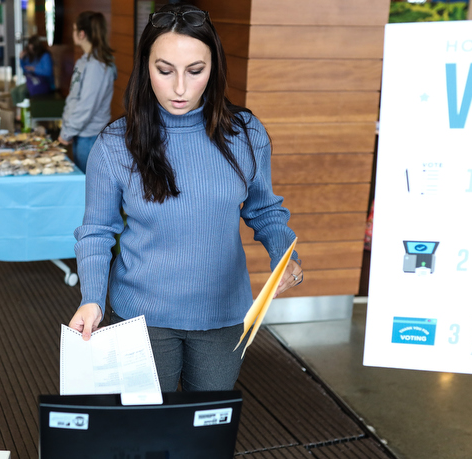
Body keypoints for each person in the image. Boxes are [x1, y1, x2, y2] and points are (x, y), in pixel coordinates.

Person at [68, 4, 304, 393]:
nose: (180, 88)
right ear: (146, 66)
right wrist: (92, 297)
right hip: (141, 315)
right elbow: (96, 231)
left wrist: (284, 256)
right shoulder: (115, 143)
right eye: (165, 70)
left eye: (195, 71)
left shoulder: (245, 134)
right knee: (145, 435)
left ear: (214, 69)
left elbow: (264, 209)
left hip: (224, 314)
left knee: (204, 429)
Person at [58, 11, 116, 173]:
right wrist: (67, 128)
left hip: (90, 138)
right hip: (80, 134)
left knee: (88, 189)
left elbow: (86, 106)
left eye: (74, 29)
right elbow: (74, 98)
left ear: (81, 34)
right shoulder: (84, 61)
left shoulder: (96, 66)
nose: (73, 33)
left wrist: (67, 132)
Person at [13, 35, 55, 104]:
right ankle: (17, 111)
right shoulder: (31, 56)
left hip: (45, 83)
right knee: (14, 91)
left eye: (32, 49)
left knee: (21, 91)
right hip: (33, 81)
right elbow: (25, 71)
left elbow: (48, 72)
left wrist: (34, 69)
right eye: (30, 49)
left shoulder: (45, 55)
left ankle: (24, 112)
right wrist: (21, 60)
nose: (31, 51)